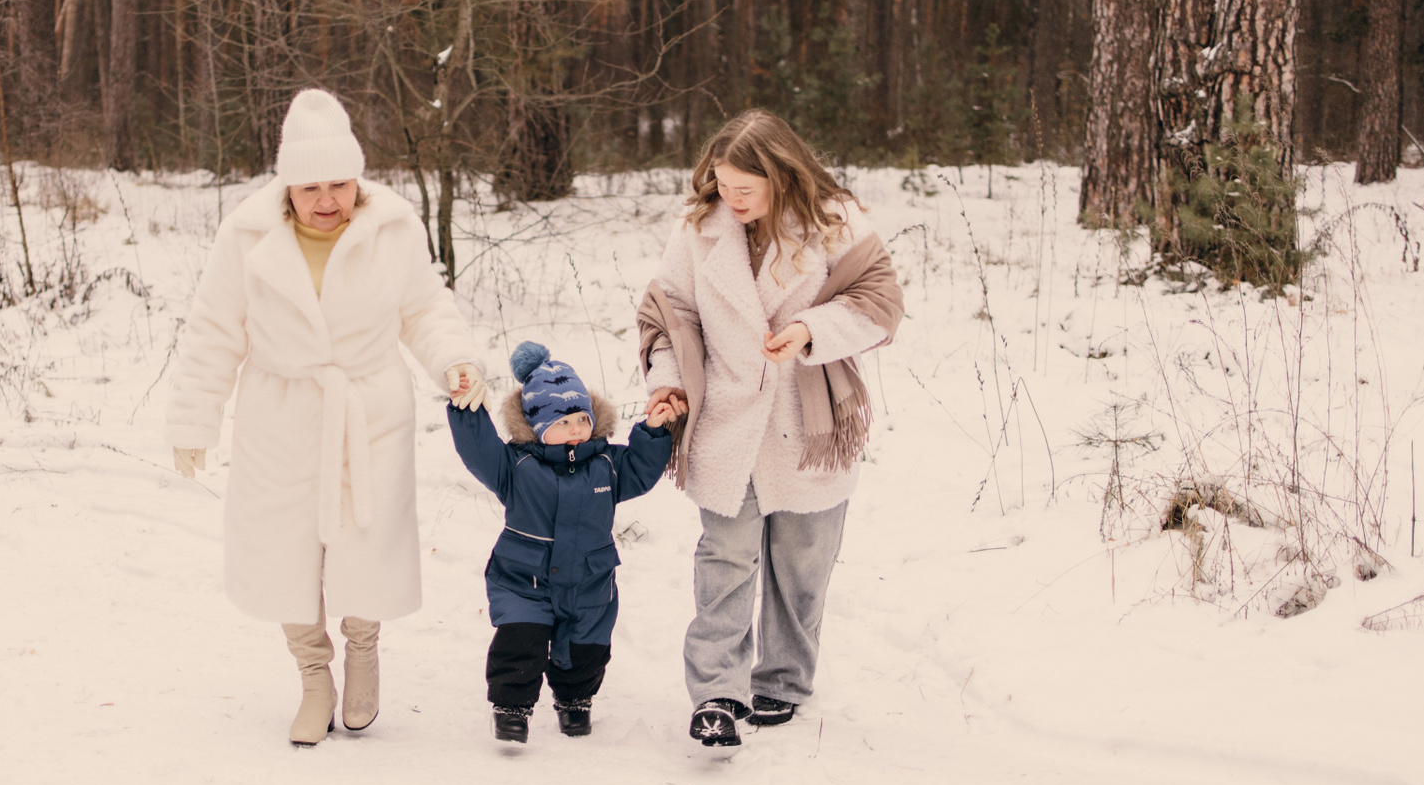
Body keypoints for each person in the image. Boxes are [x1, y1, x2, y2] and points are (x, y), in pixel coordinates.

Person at [168, 88, 487, 746]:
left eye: (339, 184)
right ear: (287, 185)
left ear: (356, 178)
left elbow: (425, 308)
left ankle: (363, 651)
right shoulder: (247, 235)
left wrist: (455, 361)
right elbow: (215, 330)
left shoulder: (392, 227)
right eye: (310, 187)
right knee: (283, 551)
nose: (326, 200)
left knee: (367, 541)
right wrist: (195, 418)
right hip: (279, 412)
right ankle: (314, 676)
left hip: (368, 411)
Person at [636, 110, 904, 747]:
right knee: (725, 559)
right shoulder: (698, 228)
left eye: (745, 188)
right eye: (723, 184)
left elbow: (880, 301)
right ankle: (716, 693)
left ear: (781, 174)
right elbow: (669, 314)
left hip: (811, 423)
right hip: (726, 420)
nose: (731, 198)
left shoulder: (833, 221)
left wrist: (813, 330)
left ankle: (782, 680)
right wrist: (668, 383)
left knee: (802, 562)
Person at [447, 340, 681, 743]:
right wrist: (467, 412)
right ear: (538, 427)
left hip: (589, 581)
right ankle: (511, 708)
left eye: (582, 419)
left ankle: (575, 701)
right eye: (563, 422)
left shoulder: (607, 463)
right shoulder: (516, 466)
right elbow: (479, 450)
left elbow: (641, 470)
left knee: (586, 647)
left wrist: (654, 431)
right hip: (524, 579)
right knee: (520, 641)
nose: (576, 429)